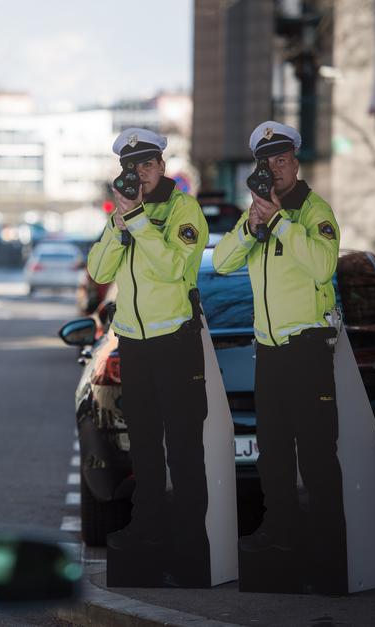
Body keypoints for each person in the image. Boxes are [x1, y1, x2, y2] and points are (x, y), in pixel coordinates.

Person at [212, 121, 345, 591]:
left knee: (316, 456)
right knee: (273, 456)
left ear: (295, 161)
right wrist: (252, 225)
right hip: (266, 351)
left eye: (282, 159)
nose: (275, 168)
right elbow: (223, 261)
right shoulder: (259, 212)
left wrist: (282, 222)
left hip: (307, 349)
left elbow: (324, 266)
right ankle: (281, 532)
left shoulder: (313, 210)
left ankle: (331, 550)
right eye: (266, 162)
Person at [87, 128, 211, 576]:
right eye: (131, 167)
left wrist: (138, 221)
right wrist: (119, 229)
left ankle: (190, 536)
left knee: (182, 444)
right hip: (134, 343)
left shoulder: (184, 209)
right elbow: (99, 269)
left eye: (147, 165)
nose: (139, 173)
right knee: (143, 446)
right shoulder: (123, 212)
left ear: (161, 165)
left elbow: (175, 266)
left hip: (174, 343)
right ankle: (149, 527)